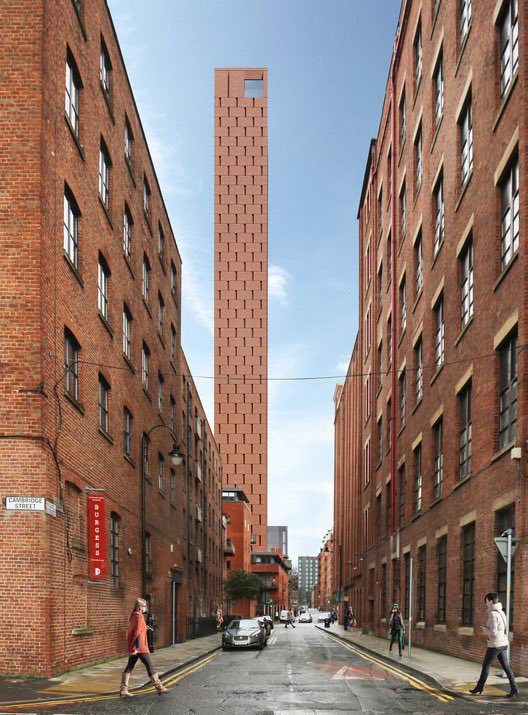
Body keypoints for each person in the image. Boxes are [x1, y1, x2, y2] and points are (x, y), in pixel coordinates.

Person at [469, 592, 518, 698]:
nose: (486, 603)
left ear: (491, 601)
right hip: (503, 643)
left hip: (495, 645)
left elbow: (493, 632)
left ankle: (479, 687)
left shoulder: (492, 614)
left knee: (486, 666)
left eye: (486, 601)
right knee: (506, 667)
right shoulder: (501, 612)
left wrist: (484, 629)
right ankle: (514, 688)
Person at [120, 598, 169, 697]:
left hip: (136, 647)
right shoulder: (139, 617)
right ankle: (160, 688)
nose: (145, 607)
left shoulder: (134, 616)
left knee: (129, 666)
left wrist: (145, 627)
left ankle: (123, 689)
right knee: (149, 667)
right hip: (141, 647)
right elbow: (137, 633)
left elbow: (136, 628)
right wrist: (137, 648)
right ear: (140, 607)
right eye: (144, 606)